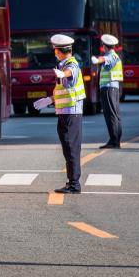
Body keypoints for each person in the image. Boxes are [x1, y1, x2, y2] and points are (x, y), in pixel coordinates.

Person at [34, 35, 86, 194]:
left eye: (55, 49)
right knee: (68, 147)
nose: (54, 52)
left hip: (71, 113)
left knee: (71, 148)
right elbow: (64, 90)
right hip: (65, 112)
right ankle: (72, 182)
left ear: (59, 50)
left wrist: (64, 75)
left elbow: (72, 72)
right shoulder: (62, 65)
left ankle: (74, 184)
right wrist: (49, 100)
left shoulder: (71, 64)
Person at [92, 34, 123, 148]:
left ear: (104, 46)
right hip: (112, 88)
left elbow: (104, 59)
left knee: (111, 115)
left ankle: (114, 141)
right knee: (114, 114)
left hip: (109, 88)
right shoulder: (114, 56)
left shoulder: (111, 56)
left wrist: (97, 60)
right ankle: (115, 140)